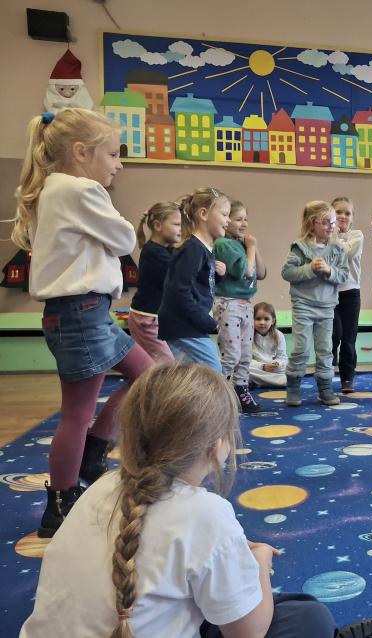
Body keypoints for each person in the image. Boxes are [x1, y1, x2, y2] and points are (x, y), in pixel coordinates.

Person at [19, 362, 372, 638]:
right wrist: (259, 561)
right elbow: (248, 632)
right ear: (217, 447)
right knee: (310, 618)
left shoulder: (101, 486)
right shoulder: (207, 512)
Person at [11, 108, 153, 537]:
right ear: (80, 152)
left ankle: (93, 451)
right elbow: (125, 239)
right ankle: (60, 501)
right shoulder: (79, 189)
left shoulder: (54, 189)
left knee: (149, 374)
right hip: (81, 313)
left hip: (86, 313)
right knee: (77, 412)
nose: (118, 164)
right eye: (112, 154)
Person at [283, 201, 349, 407]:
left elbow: (344, 275)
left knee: (325, 350)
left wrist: (329, 270)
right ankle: (293, 386)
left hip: (327, 307)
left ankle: (325, 388)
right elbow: (287, 273)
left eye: (333, 222)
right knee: (301, 348)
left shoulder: (338, 249)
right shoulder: (300, 247)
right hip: (303, 305)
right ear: (312, 224)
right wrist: (309, 268)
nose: (331, 226)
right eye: (326, 222)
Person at [158, 188, 230, 372]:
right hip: (184, 326)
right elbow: (178, 291)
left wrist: (217, 275)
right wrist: (205, 321)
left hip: (186, 325)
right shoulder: (193, 249)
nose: (228, 220)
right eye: (224, 214)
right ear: (203, 214)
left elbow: (199, 285)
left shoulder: (203, 249)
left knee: (189, 376)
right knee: (212, 373)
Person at [213, 200, 267, 413]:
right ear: (226, 221)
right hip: (229, 304)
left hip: (246, 304)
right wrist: (251, 247)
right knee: (231, 355)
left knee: (245, 355)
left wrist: (254, 246)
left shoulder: (242, 244)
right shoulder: (223, 244)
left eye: (246, 219)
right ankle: (218, 393)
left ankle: (241, 390)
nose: (244, 223)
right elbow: (246, 271)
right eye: (238, 219)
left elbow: (260, 272)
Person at [130, 201, 182, 362]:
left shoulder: (166, 250)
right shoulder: (154, 252)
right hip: (147, 319)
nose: (181, 229)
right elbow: (180, 274)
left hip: (156, 318)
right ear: (158, 225)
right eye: (177, 224)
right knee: (166, 367)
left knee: (160, 365)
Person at [331, 196, 364, 394]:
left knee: (349, 338)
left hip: (351, 292)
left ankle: (347, 378)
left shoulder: (357, 235)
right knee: (333, 335)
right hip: (330, 293)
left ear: (352, 217)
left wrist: (335, 238)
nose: (343, 216)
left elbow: (346, 254)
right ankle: (327, 372)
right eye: (338, 212)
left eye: (347, 213)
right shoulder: (325, 235)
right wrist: (332, 236)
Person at [250, 302, 288, 388]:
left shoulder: (279, 335)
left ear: (273, 321)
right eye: (258, 319)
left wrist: (276, 363)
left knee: (292, 368)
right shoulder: (247, 336)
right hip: (256, 368)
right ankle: (273, 381)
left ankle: (257, 381)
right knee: (240, 368)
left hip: (273, 369)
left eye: (266, 319)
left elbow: (282, 357)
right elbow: (246, 360)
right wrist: (262, 366)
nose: (262, 322)